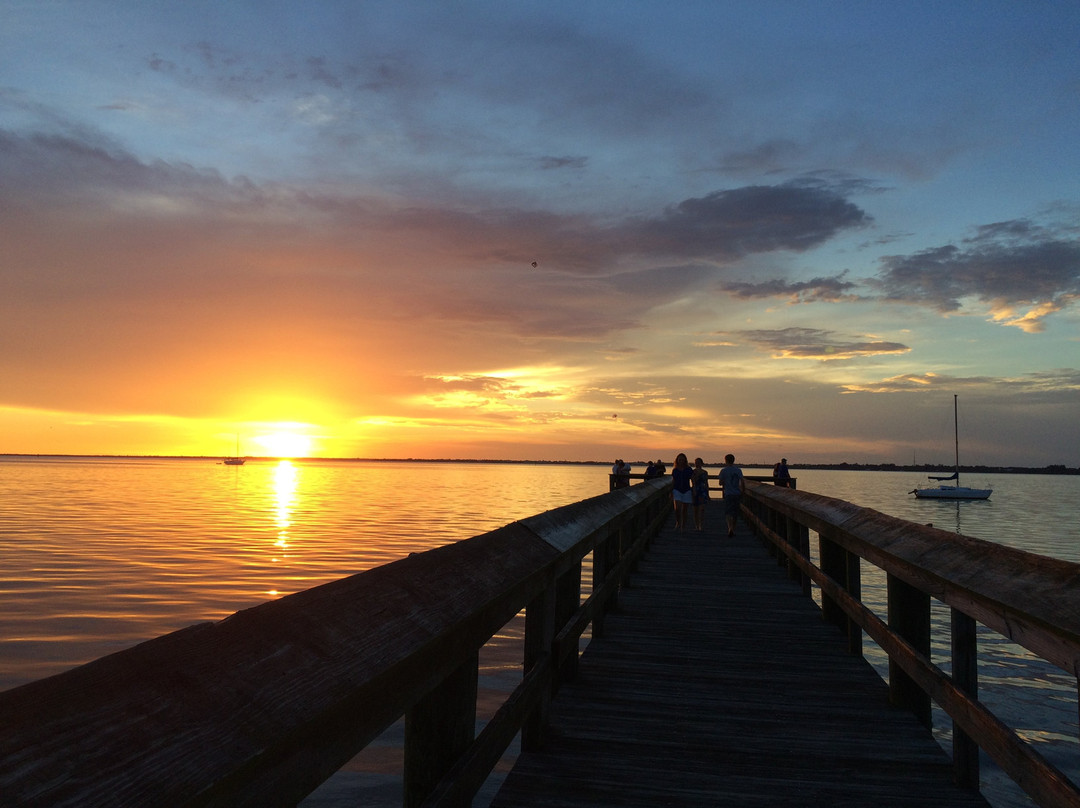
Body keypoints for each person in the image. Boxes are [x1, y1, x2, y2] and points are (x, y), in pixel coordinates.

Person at [717, 453, 745, 537]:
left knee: (728, 512)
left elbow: (720, 483)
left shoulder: (723, 471)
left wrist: (725, 482)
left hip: (728, 493)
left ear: (726, 460)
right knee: (735, 512)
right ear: (734, 460)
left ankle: (730, 528)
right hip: (737, 493)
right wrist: (743, 491)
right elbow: (742, 481)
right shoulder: (738, 470)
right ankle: (733, 528)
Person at [670, 453, 693, 531]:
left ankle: (683, 525)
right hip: (677, 489)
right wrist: (671, 491)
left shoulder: (689, 469)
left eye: (682, 460)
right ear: (677, 460)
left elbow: (692, 479)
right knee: (677, 508)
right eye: (679, 460)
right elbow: (673, 480)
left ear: (685, 460)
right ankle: (678, 522)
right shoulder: (675, 470)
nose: (681, 461)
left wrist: (695, 489)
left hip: (686, 490)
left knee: (685, 509)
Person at [691, 457, 710, 531]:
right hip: (695, 490)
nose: (697, 464)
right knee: (695, 509)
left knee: (702, 509)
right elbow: (693, 482)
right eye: (696, 462)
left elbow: (706, 483)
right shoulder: (693, 472)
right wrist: (694, 490)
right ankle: (696, 525)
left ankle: (700, 525)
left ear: (701, 463)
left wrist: (708, 493)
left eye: (698, 462)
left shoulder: (705, 472)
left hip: (703, 491)